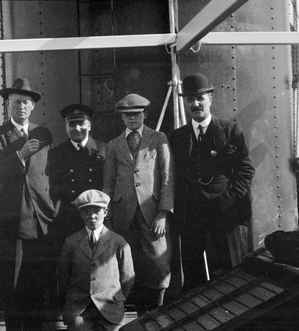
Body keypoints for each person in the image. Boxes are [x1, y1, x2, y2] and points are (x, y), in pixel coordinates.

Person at [0, 78, 57, 331]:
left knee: (37, 280)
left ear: (33, 107)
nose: (21, 107)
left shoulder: (44, 133)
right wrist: (19, 156)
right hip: (13, 220)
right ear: (8, 106)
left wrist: (52, 207)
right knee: (12, 281)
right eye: (16, 102)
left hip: (40, 217)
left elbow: (50, 174)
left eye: (26, 103)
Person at [169, 73, 255, 292]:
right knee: (193, 278)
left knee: (230, 275)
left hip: (224, 216)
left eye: (200, 98)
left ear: (210, 99)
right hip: (191, 218)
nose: (195, 104)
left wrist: (229, 199)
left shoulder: (230, 130)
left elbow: (246, 169)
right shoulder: (177, 137)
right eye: (189, 99)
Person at [102, 93, 175, 313]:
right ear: (122, 118)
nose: (132, 119)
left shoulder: (158, 138)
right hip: (123, 212)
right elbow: (108, 182)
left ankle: (155, 311)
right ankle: (129, 315)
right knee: (127, 263)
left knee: (158, 262)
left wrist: (163, 213)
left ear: (145, 114)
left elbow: (168, 177)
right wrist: (107, 215)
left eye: (136, 114)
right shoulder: (114, 145)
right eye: (127, 115)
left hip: (151, 212)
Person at [57, 189, 135, 331]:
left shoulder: (118, 242)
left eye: (97, 211)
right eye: (86, 212)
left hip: (110, 306)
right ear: (81, 215)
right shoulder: (71, 242)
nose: (92, 216)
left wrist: (117, 298)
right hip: (80, 307)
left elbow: (128, 276)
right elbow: (63, 276)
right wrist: (71, 301)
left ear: (105, 212)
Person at [47, 103, 108, 240]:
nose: (77, 128)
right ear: (66, 127)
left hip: (96, 217)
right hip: (68, 217)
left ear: (89, 126)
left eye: (81, 123)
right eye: (71, 124)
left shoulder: (104, 150)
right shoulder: (56, 153)